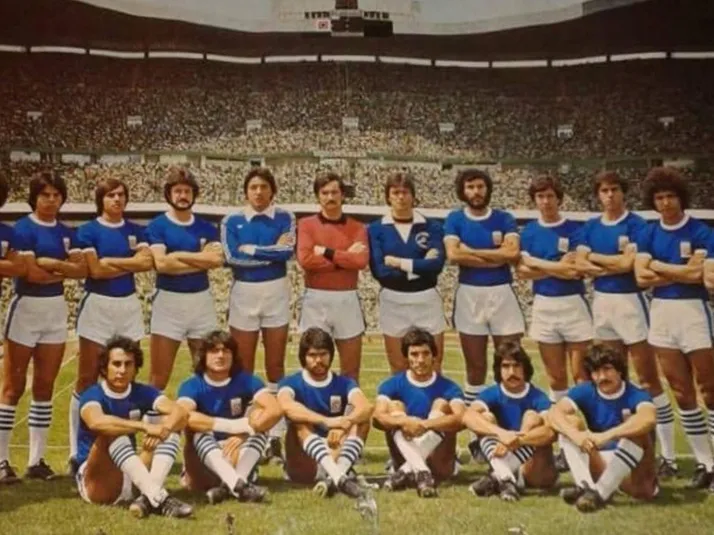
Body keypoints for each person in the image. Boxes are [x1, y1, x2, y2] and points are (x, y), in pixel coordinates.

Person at [575, 171, 676, 477]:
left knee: (648, 380)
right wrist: (610, 263)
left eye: (614, 189)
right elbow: (580, 264)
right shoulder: (590, 226)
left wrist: (597, 260)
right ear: (598, 194)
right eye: (604, 190)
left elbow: (627, 265)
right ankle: (618, 447)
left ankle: (668, 455)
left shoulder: (637, 225)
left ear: (623, 192)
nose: (609, 195)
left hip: (631, 303)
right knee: (612, 377)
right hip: (602, 304)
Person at [0, 171, 86, 483]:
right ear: (34, 198)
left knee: (45, 385)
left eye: (55, 195)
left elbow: (81, 269)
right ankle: (1, 460)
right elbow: (31, 274)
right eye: (44, 195)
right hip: (26, 308)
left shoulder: (67, 231)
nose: (50, 200)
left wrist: (52, 266)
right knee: (12, 386)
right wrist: (63, 269)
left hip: (55, 310)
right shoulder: (22, 228)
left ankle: (36, 461)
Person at [635, 166, 714, 488]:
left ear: (681, 197)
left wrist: (657, 266)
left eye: (670, 196)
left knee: (709, 389)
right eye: (659, 197)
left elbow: (701, 277)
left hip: (694, 312)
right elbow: (641, 277)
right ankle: (705, 463)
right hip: (662, 313)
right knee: (681, 391)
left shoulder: (701, 231)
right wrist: (678, 270)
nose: (665, 202)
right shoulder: (648, 233)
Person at [69, 178, 153, 474]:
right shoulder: (87, 230)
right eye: (111, 195)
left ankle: (126, 444)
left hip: (127, 304)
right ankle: (76, 451)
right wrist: (128, 262)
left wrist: (111, 262)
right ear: (101, 200)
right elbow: (95, 270)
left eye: (121, 195)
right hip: (98, 305)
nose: (117, 199)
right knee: (87, 378)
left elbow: (146, 263)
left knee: (127, 374)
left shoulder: (136, 230)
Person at [517, 174, 592, 469]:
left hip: (574, 305)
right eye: (540, 197)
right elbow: (522, 271)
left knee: (581, 377)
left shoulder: (575, 229)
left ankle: (589, 441)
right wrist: (556, 266)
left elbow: (576, 271)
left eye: (550, 196)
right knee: (556, 378)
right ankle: (563, 444)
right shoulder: (529, 231)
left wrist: (538, 264)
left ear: (559, 198)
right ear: (534, 201)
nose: (545, 201)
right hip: (544, 305)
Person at [221, 167, 295, 459]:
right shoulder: (232, 220)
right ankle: (248, 432)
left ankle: (275, 436)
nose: (259, 192)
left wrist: (251, 249)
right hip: (244, 293)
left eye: (264, 187)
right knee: (244, 368)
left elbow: (287, 253)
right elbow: (231, 257)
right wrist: (270, 252)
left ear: (272, 191)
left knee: (276, 366)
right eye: (253, 187)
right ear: (245, 192)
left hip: (276, 292)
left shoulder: (285, 217)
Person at [76, 336, 192, 518]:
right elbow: (96, 422)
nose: (122, 370)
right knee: (112, 432)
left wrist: (164, 429)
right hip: (97, 479)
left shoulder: (141, 391)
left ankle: (147, 497)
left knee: (171, 427)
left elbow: (181, 413)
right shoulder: (93, 394)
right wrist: (144, 427)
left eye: (128, 364)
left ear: (135, 368)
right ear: (104, 368)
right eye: (116, 364)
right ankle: (160, 499)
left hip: (128, 468)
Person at [549, 345, 658, 512]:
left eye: (607, 369)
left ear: (620, 371)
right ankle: (586, 487)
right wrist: (576, 435)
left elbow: (648, 418)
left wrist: (607, 435)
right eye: (596, 372)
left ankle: (598, 494)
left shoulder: (636, 394)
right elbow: (554, 413)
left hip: (634, 468)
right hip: (601, 461)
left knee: (638, 431)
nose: (602, 377)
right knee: (569, 424)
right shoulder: (586, 390)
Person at [177, 330, 282, 504]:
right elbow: (183, 416)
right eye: (214, 351)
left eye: (226, 351)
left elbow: (275, 409)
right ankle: (240, 483)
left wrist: (245, 433)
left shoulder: (246, 380)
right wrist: (235, 426)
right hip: (207, 455)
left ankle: (233, 485)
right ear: (203, 355)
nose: (220, 355)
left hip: (238, 448)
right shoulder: (192, 385)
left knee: (260, 424)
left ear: (233, 356)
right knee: (199, 433)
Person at [146, 166, 223, 390]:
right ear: (169, 194)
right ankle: (153, 415)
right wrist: (199, 260)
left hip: (201, 302)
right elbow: (162, 264)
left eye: (187, 191)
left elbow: (215, 260)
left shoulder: (206, 227)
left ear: (194, 194)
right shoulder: (158, 225)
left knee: (208, 371)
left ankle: (202, 414)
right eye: (178, 191)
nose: (183, 196)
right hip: (168, 302)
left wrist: (178, 256)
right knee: (159, 377)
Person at [277, 327, 373, 501]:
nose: (318, 360)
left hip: (335, 448)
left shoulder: (343, 382)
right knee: (299, 422)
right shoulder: (291, 382)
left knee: (362, 421)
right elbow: (286, 407)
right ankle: (339, 476)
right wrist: (327, 421)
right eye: (312, 355)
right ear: (303, 357)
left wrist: (345, 423)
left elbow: (366, 407)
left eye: (323, 354)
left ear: (331, 355)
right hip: (305, 460)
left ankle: (335, 477)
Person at [368, 172, 446, 373]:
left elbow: (436, 266)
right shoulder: (376, 229)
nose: (401, 197)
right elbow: (381, 272)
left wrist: (399, 263)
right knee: (398, 365)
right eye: (395, 192)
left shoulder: (432, 227)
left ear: (413, 195)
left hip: (426, 298)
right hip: (392, 300)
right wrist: (420, 266)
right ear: (388, 196)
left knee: (434, 363)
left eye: (405, 192)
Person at [373, 328, 465, 498]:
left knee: (442, 405)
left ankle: (407, 471)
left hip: (439, 463)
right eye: (414, 354)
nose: (420, 360)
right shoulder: (391, 385)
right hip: (404, 450)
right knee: (394, 406)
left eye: (425, 354)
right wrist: (404, 422)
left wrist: (425, 425)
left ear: (434, 356)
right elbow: (377, 417)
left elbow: (461, 418)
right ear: (406, 357)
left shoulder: (449, 387)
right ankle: (421, 472)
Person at [463, 341, 557, 501]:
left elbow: (551, 432)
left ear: (525, 368)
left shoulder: (538, 397)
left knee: (532, 417)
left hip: (534, 471)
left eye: (517, 366)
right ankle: (505, 479)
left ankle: (498, 477)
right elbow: (467, 416)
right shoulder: (492, 393)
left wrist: (517, 440)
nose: (511, 372)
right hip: (501, 455)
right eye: (506, 366)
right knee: (485, 418)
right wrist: (501, 434)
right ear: (498, 369)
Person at [296, 173, 369, 381]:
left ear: (342, 195)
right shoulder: (306, 224)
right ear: (318, 196)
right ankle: (312, 400)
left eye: (335, 192)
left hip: (347, 298)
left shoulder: (357, 227)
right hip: (315, 298)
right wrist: (345, 256)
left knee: (351, 368)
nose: (330, 197)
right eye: (325, 193)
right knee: (313, 363)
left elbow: (360, 261)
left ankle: (350, 402)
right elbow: (306, 260)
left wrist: (327, 252)